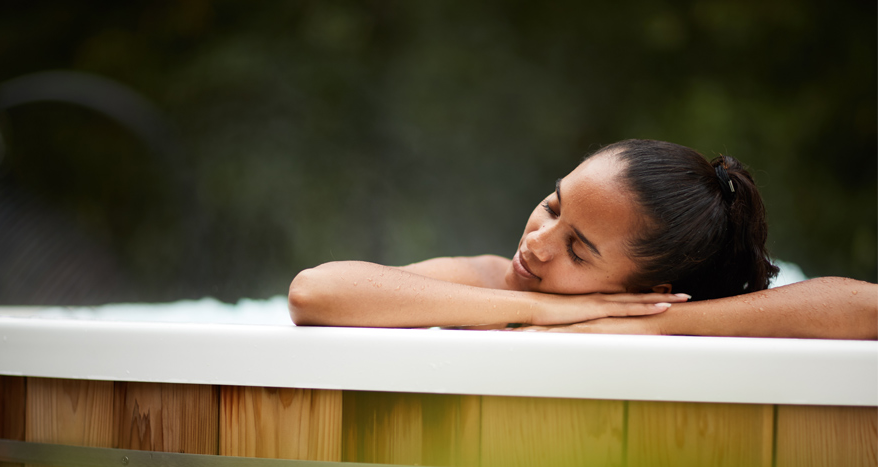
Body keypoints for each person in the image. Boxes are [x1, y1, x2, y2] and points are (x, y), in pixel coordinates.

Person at [289, 139, 877, 340]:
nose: (538, 243)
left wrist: (649, 323)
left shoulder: (667, 314)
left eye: (577, 250)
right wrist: (542, 309)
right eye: (552, 205)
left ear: (654, 288)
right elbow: (315, 292)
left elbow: (865, 306)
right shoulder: (498, 281)